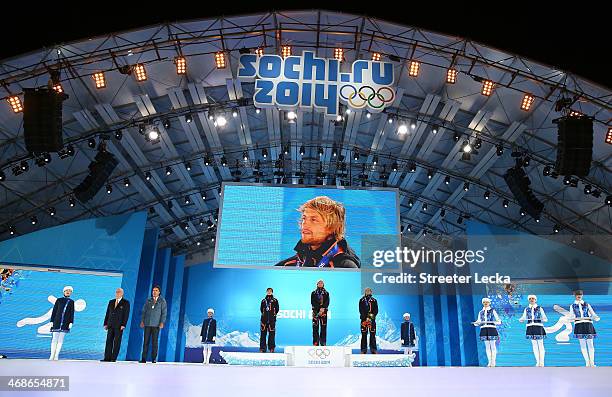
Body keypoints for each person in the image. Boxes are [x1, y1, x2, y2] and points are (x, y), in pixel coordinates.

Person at [275, 196, 360, 268]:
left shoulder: (345, 266)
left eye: (314, 220)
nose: (304, 224)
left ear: (332, 227)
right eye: (304, 218)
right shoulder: (287, 265)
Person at [569, 290, 600, 367]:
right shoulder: (572, 306)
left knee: (590, 344)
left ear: (582, 295)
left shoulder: (586, 304)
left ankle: (592, 362)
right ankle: (587, 362)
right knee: (582, 344)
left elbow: (593, 314)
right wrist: (574, 319)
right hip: (579, 325)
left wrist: (596, 318)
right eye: (577, 295)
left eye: (580, 294)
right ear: (575, 296)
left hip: (588, 324)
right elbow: (571, 317)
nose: (579, 296)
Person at [139, 285, 167, 363]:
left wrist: (162, 322)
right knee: (145, 342)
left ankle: (153, 358)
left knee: (154, 342)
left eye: (156, 290)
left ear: (159, 292)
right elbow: (144, 311)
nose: (154, 292)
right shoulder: (148, 300)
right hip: (147, 324)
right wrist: (142, 321)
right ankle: (143, 358)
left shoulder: (162, 301)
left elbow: (164, 313)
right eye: (153, 290)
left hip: (156, 325)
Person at [102, 288, 131, 362]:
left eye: (119, 292)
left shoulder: (125, 302)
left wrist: (123, 324)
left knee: (117, 342)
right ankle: (107, 357)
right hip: (110, 324)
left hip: (119, 326)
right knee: (109, 341)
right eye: (116, 292)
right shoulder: (111, 302)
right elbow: (107, 313)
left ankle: (113, 358)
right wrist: (105, 323)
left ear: (122, 293)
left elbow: (126, 314)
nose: (117, 293)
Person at [518, 294, 548, 366]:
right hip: (530, 327)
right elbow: (523, 318)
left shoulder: (539, 308)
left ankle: (542, 362)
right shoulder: (526, 309)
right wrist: (521, 320)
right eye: (530, 298)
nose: (531, 300)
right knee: (534, 345)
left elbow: (545, 318)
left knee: (540, 344)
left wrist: (542, 320)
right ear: (528, 300)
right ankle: (537, 361)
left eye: (533, 298)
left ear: (535, 300)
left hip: (538, 327)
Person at [473, 297, 501, 367]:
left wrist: (497, 322)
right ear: (483, 303)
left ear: (489, 303)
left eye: (487, 302)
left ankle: (493, 362)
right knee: (487, 347)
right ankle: (489, 362)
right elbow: (479, 321)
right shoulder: (481, 312)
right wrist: (476, 323)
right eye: (484, 302)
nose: (485, 303)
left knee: (493, 346)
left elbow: (498, 320)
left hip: (491, 329)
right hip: (484, 329)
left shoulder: (493, 311)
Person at [49, 286, 75, 361]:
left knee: (60, 340)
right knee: (54, 339)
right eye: (66, 290)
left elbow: (71, 313)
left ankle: (56, 355)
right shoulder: (59, 300)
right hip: (57, 322)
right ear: (63, 292)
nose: (68, 292)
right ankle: (52, 355)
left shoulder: (71, 302)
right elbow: (54, 311)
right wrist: (52, 321)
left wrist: (71, 322)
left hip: (65, 323)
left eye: (69, 291)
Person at [259, 287, 280, 352]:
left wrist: (273, 315)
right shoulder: (263, 301)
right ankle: (262, 348)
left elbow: (277, 309)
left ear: (272, 292)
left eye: (270, 291)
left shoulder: (275, 300)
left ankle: (271, 348)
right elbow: (261, 309)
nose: (269, 292)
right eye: (268, 291)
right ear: (266, 292)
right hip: (264, 320)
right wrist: (264, 315)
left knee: (272, 334)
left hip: (272, 320)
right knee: (263, 334)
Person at [359, 287, 378, 354]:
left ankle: (373, 349)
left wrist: (370, 317)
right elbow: (361, 310)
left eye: (369, 291)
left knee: (372, 334)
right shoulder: (361, 300)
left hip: (372, 320)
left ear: (371, 292)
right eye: (366, 291)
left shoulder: (374, 300)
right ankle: (363, 350)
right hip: (364, 320)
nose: (368, 292)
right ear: (365, 292)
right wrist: (365, 318)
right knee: (364, 334)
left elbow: (376, 311)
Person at [311, 280, 330, 346]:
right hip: (315, 312)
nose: (320, 284)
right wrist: (319, 309)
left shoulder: (326, 293)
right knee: (315, 328)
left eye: (321, 283)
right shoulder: (313, 293)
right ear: (317, 284)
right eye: (319, 283)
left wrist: (323, 308)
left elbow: (327, 302)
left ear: (323, 284)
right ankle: (315, 342)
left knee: (323, 328)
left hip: (323, 312)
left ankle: (323, 342)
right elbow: (312, 302)